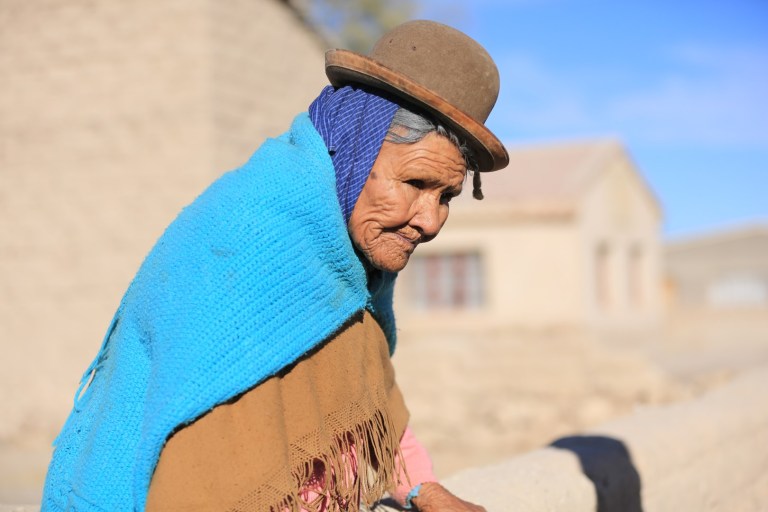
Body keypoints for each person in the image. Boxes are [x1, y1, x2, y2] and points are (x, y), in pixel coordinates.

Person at [41, 20, 509, 511]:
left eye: (446, 197)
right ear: (355, 149)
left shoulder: (353, 259)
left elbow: (363, 402)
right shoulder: (247, 236)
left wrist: (422, 487)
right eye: (415, 184)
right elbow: (200, 463)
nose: (430, 222)